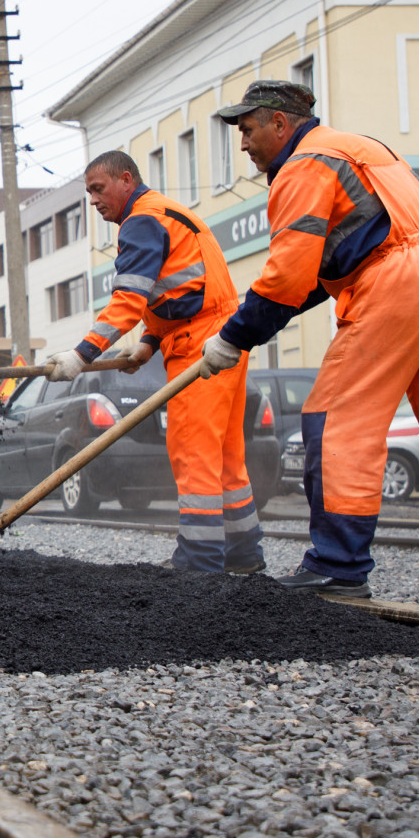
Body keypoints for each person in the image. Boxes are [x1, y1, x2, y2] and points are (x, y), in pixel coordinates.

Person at [203, 79, 419, 615]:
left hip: (397, 282)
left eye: (248, 128)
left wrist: (233, 337)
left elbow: (285, 280)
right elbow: (313, 280)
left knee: (337, 423)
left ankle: (337, 568)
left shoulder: (305, 163)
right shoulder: (367, 150)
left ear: (280, 124)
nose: (244, 144)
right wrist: (244, 330)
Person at [45, 151, 264, 575]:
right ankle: (243, 555)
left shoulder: (140, 222)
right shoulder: (168, 212)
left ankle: (199, 564)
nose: (93, 200)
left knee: (193, 453)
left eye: (98, 188)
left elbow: (129, 298)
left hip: (200, 346)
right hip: (223, 340)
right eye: (89, 192)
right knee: (226, 457)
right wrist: (148, 341)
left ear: (126, 180)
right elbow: (179, 289)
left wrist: (80, 355)